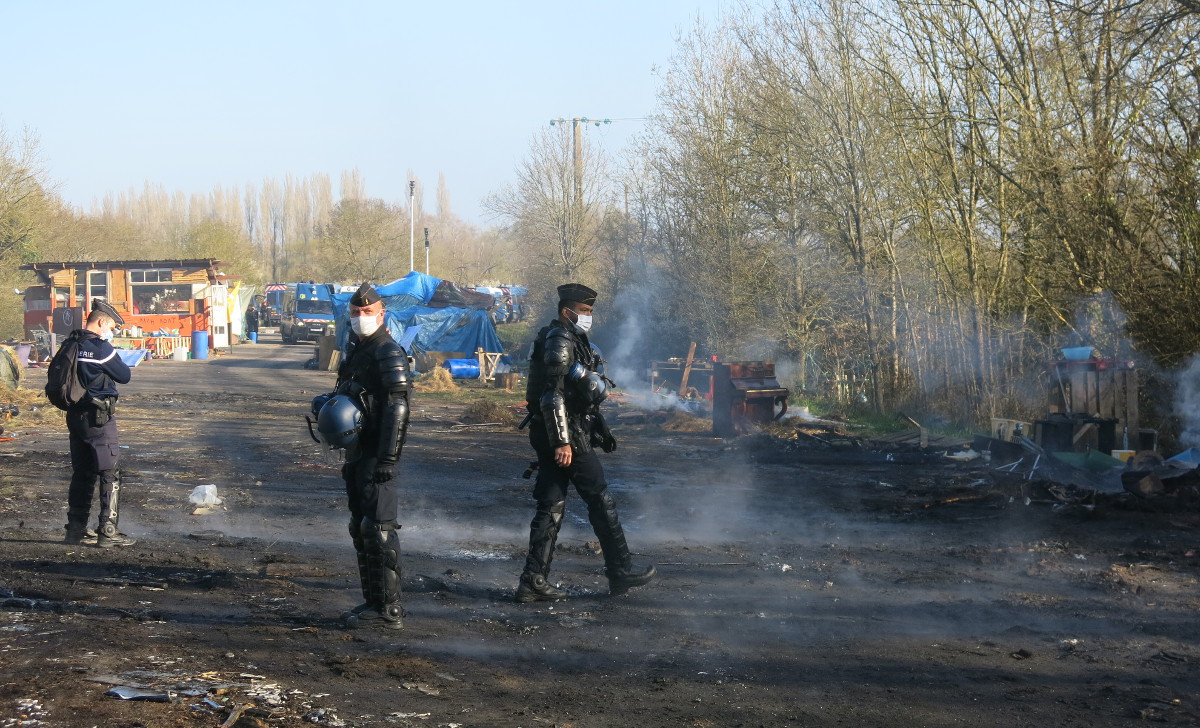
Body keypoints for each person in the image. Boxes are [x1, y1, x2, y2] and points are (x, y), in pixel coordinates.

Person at [516, 283, 656, 602]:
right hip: (564, 433)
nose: (589, 317)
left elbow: (579, 393)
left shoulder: (570, 338)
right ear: (567, 312)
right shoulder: (560, 340)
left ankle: (533, 581)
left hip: (559, 431)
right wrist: (563, 442)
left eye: (591, 311)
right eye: (585, 311)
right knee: (599, 498)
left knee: (551, 504)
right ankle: (620, 572)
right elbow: (552, 396)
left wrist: (592, 429)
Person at [324, 282, 412, 629]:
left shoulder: (388, 351)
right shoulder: (357, 350)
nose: (362, 318)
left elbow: (398, 409)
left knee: (380, 530)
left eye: (367, 312)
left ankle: (390, 608)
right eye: (356, 313)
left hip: (378, 452)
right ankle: (372, 601)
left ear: (381, 314)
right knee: (361, 528)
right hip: (358, 452)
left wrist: (388, 459)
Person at [63, 299, 135, 548]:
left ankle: (74, 530)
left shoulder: (70, 343)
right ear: (102, 321)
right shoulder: (100, 348)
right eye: (112, 326)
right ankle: (107, 530)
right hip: (99, 419)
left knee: (82, 473)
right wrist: (109, 348)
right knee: (109, 473)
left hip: (74, 417)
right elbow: (124, 375)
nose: (111, 331)